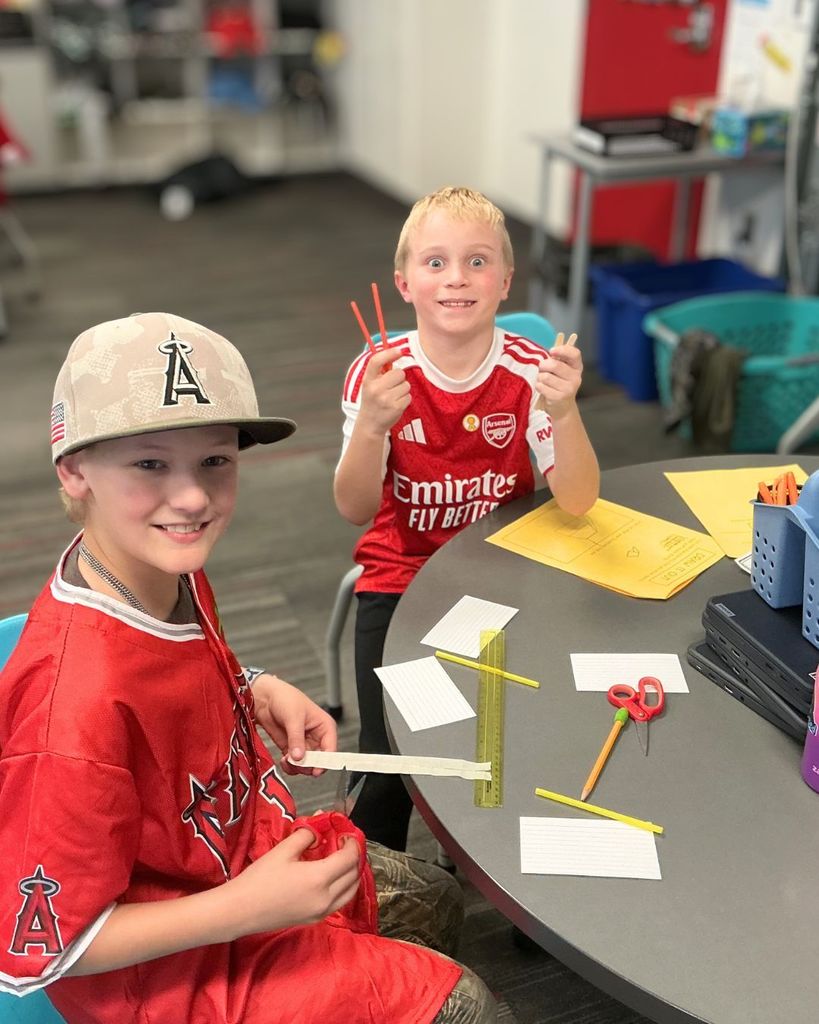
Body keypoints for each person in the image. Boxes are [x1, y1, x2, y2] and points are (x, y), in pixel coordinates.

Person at [0, 312, 497, 1023]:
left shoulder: (158, 564)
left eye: (215, 460)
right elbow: (40, 950)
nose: (195, 497)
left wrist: (252, 682)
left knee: (432, 895)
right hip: (166, 974)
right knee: (466, 1006)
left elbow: (166, 665)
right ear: (74, 469)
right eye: (149, 463)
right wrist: (242, 909)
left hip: (231, 858)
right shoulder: (69, 707)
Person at [335, 186, 600, 851]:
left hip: (500, 580)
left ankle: (504, 877)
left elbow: (577, 500)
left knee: (512, 733)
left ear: (505, 281)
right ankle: (377, 883)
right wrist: (371, 425)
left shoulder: (526, 371)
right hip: (398, 577)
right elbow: (352, 507)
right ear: (404, 283)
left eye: (477, 262)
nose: (456, 277)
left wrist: (564, 413)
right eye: (435, 263)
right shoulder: (376, 373)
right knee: (389, 750)